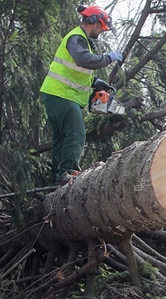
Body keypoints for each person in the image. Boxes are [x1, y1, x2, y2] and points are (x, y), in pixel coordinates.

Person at [40, 5, 123, 185]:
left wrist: (95, 82)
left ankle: (57, 178)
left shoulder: (79, 39)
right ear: (94, 22)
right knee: (76, 133)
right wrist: (109, 57)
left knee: (61, 138)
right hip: (61, 95)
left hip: (55, 94)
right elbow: (84, 60)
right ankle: (68, 172)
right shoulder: (77, 38)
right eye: (102, 27)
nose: (101, 32)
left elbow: (75, 70)